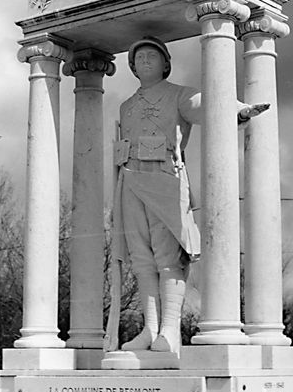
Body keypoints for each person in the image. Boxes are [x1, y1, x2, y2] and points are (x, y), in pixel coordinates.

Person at [111, 36, 267, 354]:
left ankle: (170, 329)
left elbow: (209, 105)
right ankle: (150, 329)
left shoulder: (180, 95)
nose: (144, 61)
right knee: (142, 258)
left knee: (169, 256)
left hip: (165, 179)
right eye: (138, 58)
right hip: (130, 180)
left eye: (152, 56)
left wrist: (239, 109)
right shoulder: (125, 106)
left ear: (166, 63)